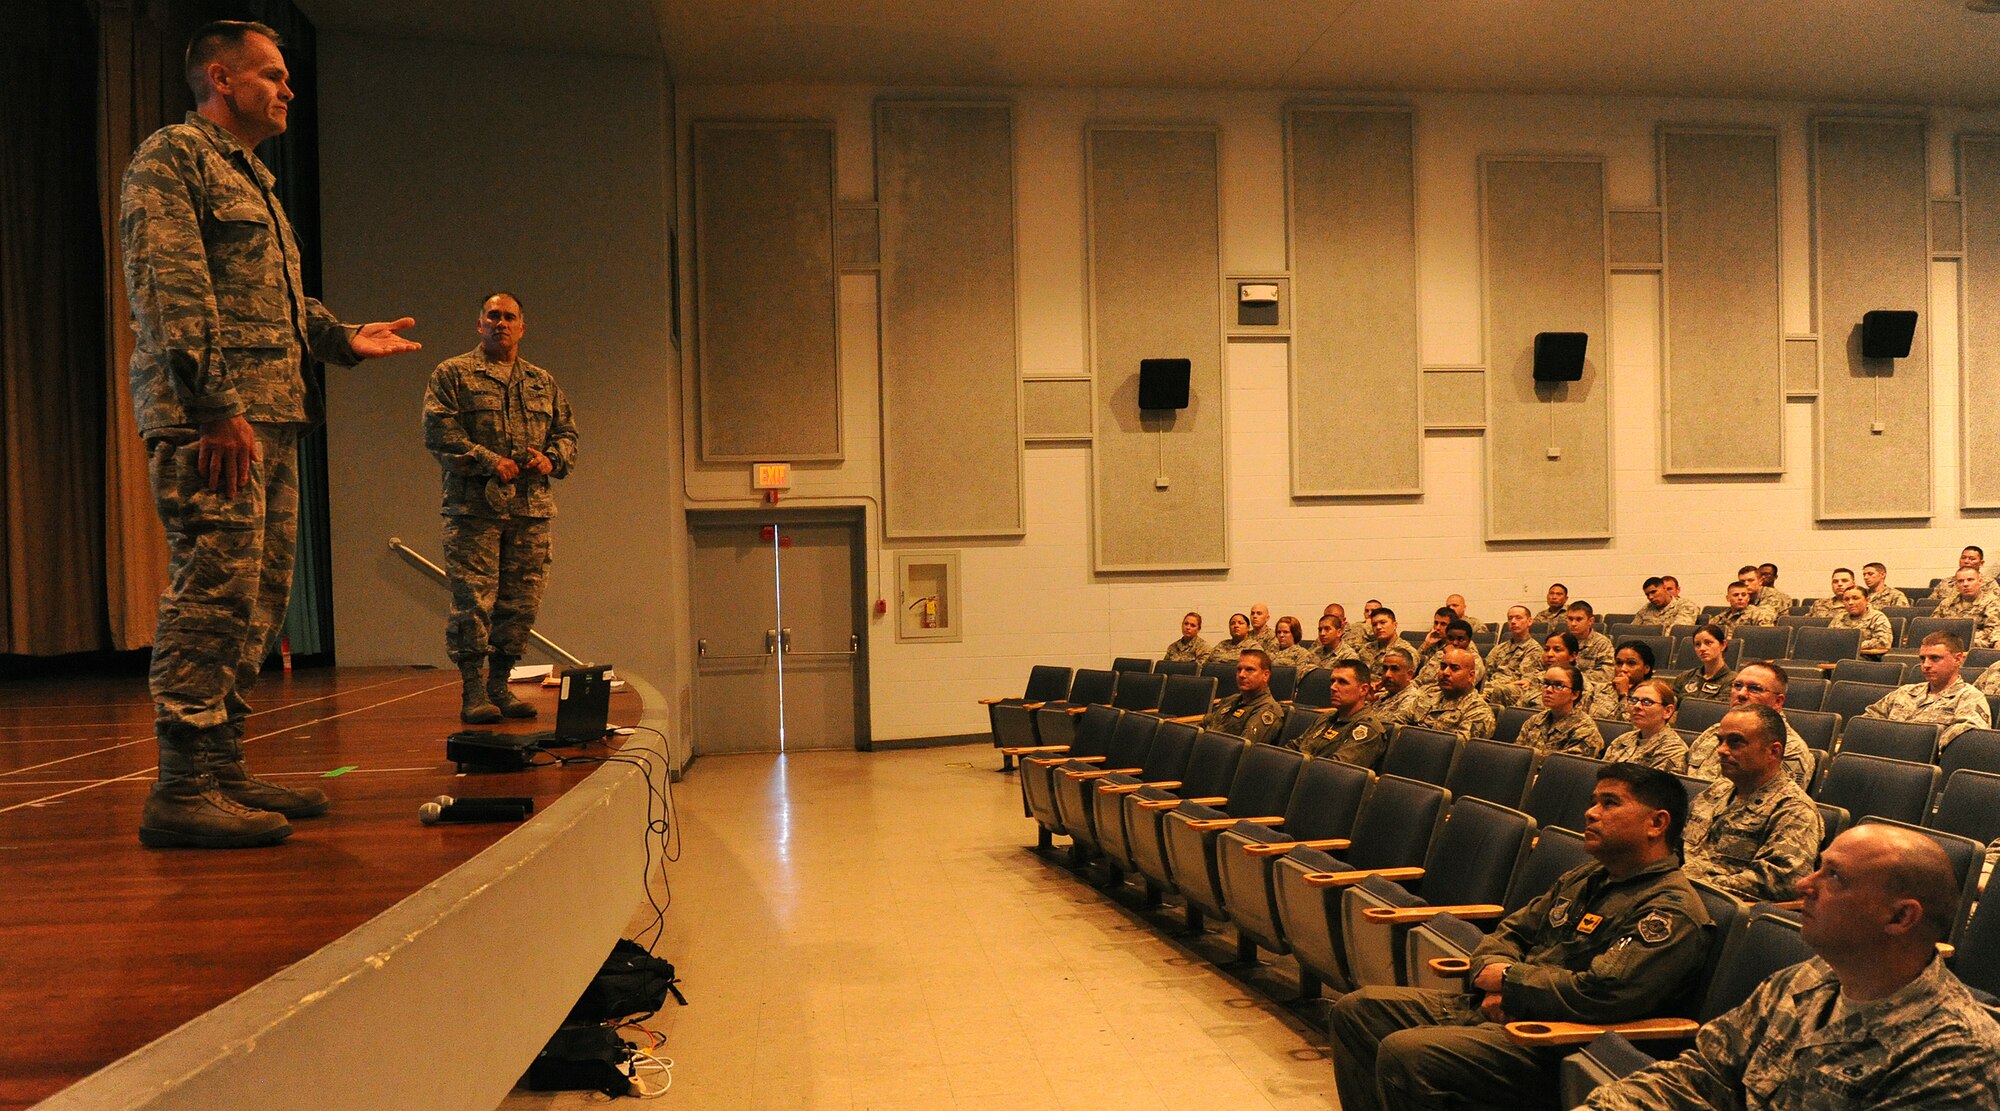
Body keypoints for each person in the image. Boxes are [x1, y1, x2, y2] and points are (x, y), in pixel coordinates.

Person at [122, 21, 422, 848]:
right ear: (220, 78)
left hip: (270, 417)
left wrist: (342, 337)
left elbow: (279, 304)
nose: (288, 89)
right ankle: (180, 788)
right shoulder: (171, 158)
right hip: (214, 421)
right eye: (273, 75)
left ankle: (221, 766)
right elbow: (171, 288)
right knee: (211, 592)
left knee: (255, 603)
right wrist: (214, 406)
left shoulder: (253, 176)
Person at [1331, 764, 1714, 1111]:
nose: (1591, 812)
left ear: (1657, 823)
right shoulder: (1586, 877)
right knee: (1357, 1010)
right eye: (1594, 801)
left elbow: (1602, 993)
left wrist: (1511, 985)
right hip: (1505, 1011)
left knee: (1408, 1054)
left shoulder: (1669, 910)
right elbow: (1510, 931)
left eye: (1610, 803)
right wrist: (1496, 975)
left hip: (1557, 1046)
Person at [1582, 824, 2000, 1111]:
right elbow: (1701, 1075)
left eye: (1834, 876)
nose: (1804, 884)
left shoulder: (1956, 1055)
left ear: (1900, 918)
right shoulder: (1806, 979)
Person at [424, 292, 577, 724]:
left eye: (510, 317)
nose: (501, 323)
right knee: (474, 602)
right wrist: (491, 461)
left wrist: (553, 458)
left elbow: (568, 433)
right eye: (493, 316)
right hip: (474, 512)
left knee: (520, 604)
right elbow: (438, 434)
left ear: (522, 328)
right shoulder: (453, 374)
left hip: (531, 512)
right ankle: (473, 691)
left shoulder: (542, 382)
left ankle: (500, 686)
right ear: (480, 324)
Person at [1680, 705, 1821, 902]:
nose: (1721, 750)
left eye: (1735, 743)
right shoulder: (1715, 792)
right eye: (1720, 741)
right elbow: (1677, 848)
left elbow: (1781, 881)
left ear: (1773, 751)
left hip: (1721, 908)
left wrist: (1687, 884)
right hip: (1680, 894)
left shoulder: (1793, 809)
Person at [1684, 662, 1816, 788]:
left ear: (1778, 701)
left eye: (1755, 689)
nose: (1741, 694)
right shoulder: (1714, 731)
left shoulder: (1790, 749)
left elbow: (1774, 804)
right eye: (1737, 686)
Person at [1859, 630, 1992, 750]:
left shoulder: (1969, 697)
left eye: (1935, 658)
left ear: (1957, 659)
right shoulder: (1905, 692)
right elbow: (1865, 724)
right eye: (1923, 659)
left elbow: (1966, 742)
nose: (1926, 665)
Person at [1292, 661, 1388, 768]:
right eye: (1333, 681)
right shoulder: (1326, 717)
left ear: (1363, 690)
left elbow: (1334, 770)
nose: (1333, 687)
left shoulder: (1368, 730)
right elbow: (1293, 748)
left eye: (1342, 682)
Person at [1402, 647, 1496, 739]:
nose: (1445, 672)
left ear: (1470, 676)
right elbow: (1399, 722)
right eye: (1443, 667)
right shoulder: (1428, 692)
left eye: (1454, 668)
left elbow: (1453, 749)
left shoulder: (1479, 712)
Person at [1517, 664, 1604, 758]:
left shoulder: (1585, 731)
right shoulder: (1534, 721)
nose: (1549, 690)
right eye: (1546, 684)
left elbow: (1567, 769)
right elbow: (1517, 757)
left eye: (1558, 686)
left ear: (1575, 694)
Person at [1601, 680, 1688, 772]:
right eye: (1634, 700)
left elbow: (1652, 785)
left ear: (1667, 711)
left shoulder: (1673, 750)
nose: (1637, 706)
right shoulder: (1622, 740)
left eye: (1647, 702)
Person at [1199, 648, 1283, 744]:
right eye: (1239, 669)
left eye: (1249, 670)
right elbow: (1202, 725)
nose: (1242, 675)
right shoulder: (1231, 700)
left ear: (1266, 675)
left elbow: (1243, 749)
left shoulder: (1266, 710)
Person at [1484, 605, 1546, 708]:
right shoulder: (1500, 648)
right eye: (1510, 618)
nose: (1513, 621)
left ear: (1529, 621)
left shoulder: (1534, 649)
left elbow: (1523, 681)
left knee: (1500, 690)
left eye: (1518, 618)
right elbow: (1486, 672)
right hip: (1491, 687)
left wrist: (1488, 690)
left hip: (1512, 690)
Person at [1933, 567, 2000, 649]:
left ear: (1980, 582)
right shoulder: (1947, 603)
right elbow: (1933, 626)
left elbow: (1994, 631)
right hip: (1947, 647)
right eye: (1960, 581)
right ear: (1956, 585)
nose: (1965, 584)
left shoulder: (1992, 602)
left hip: (1976, 647)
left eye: (1970, 580)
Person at [1593, 640, 1657, 721]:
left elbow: (1632, 727)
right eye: (1619, 663)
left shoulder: (1653, 696)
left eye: (1631, 663)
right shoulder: (1599, 689)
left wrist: (1623, 696)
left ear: (1646, 668)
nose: (1623, 669)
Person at [1416, 619, 1487, 688]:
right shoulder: (1439, 655)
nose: (1455, 643)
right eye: (1450, 638)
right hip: (1422, 694)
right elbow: (1419, 680)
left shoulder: (1475, 661)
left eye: (1461, 639)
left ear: (1468, 641)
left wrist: (1454, 657)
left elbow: (1462, 687)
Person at [1672, 624, 1734, 702]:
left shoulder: (1732, 680)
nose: (1702, 648)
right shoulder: (1685, 677)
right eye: (1697, 644)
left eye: (1708, 643)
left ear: (1723, 645)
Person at [1826, 585, 1894, 656]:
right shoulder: (1839, 618)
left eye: (1855, 598)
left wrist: (1854, 646)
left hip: (1866, 659)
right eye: (1846, 599)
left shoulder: (1877, 617)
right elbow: (1827, 641)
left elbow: (1884, 642)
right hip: (1838, 656)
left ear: (1867, 600)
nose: (1850, 603)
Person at [1928, 545, 1996, 604]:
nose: (1966, 561)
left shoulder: (1989, 583)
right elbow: (1930, 605)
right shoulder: (1945, 582)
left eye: (1972, 559)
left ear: (1981, 563)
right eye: (1963, 558)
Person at [1567, 602, 1616, 684]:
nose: (1573, 624)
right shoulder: (1562, 640)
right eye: (1570, 619)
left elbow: (1606, 675)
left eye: (1579, 619)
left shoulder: (1602, 643)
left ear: (1590, 621)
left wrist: (1571, 678)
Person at [1372, 647, 1424, 724]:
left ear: (1409, 675)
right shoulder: (1383, 696)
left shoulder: (1412, 700)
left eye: (1394, 669)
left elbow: (1387, 729)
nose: (1387, 674)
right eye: (1385, 668)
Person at [1634, 576, 1699, 630]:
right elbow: (1633, 630)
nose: (1650, 597)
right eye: (1647, 595)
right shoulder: (1646, 608)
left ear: (1664, 589)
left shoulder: (1686, 605)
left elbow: (1678, 633)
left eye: (1653, 592)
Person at [1352, 607, 1401, 676]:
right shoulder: (1366, 648)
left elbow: (1401, 680)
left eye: (1383, 623)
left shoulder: (1405, 651)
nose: (1378, 627)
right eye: (1374, 624)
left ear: (1395, 625)